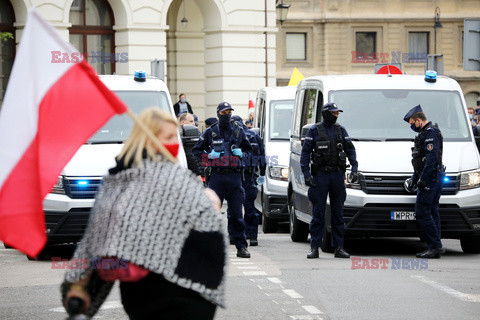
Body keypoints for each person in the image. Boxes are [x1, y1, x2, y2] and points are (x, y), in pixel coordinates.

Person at [61, 108, 226, 319]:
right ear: (147, 138)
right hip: (157, 294)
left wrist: (78, 284)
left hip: (189, 292)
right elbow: (98, 242)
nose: (174, 143)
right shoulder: (123, 183)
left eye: (174, 136)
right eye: (167, 137)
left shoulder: (122, 183)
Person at [192, 102, 252, 258]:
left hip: (234, 176)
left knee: (238, 214)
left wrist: (242, 156)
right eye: (224, 113)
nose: (227, 115)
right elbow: (196, 151)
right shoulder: (211, 132)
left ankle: (241, 246)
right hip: (217, 176)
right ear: (218, 114)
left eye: (229, 112)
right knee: (213, 213)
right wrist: (208, 157)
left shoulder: (238, 131)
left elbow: (249, 151)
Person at [300, 102, 358, 259]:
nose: (336, 115)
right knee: (318, 213)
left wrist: (354, 168)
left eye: (337, 113)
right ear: (326, 113)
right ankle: (314, 247)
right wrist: (306, 174)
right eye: (333, 113)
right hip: (320, 176)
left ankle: (339, 247)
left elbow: (350, 149)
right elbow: (305, 154)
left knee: (338, 213)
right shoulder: (314, 130)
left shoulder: (341, 130)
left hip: (337, 175)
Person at [404, 105, 445, 259]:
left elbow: (431, 159)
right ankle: (435, 245)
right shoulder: (424, 133)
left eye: (412, 124)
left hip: (431, 178)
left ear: (418, 120)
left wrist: (423, 179)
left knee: (422, 212)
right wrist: (414, 179)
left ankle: (435, 246)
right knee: (432, 211)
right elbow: (419, 161)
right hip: (431, 177)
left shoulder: (430, 133)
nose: (412, 127)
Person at [231, 115, 266, 246]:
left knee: (249, 208)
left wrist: (262, 173)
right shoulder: (229, 135)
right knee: (234, 208)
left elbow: (261, 156)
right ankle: (235, 234)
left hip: (248, 175)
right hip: (233, 175)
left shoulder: (253, 136)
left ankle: (251, 235)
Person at [179, 113, 202, 177]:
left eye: (193, 121)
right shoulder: (185, 135)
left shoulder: (194, 132)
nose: (194, 123)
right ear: (183, 122)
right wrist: (197, 174)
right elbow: (191, 156)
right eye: (191, 121)